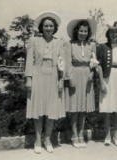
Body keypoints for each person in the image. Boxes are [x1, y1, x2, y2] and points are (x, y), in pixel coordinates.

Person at [25, 11, 65, 154]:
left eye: (51, 26)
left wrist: (61, 80)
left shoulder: (59, 42)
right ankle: (37, 139)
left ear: (55, 28)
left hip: (54, 75)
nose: (48, 28)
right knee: (39, 109)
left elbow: (62, 63)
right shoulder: (34, 41)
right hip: (38, 74)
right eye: (46, 26)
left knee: (51, 109)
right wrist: (29, 79)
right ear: (41, 27)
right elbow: (29, 61)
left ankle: (47, 139)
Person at [96, 20, 117, 147]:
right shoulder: (102, 47)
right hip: (107, 78)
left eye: (116, 31)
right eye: (112, 32)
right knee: (107, 108)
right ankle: (107, 136)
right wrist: (101, 82)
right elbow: (99, 66)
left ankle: (116, 136)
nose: (114, 34)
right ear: (108, 33)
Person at [65, 19, 97, 148]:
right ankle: (74, 135)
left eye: (85, 31)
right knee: (74, 108)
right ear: (76, 31)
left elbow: (94, 63)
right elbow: (67, 63)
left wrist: (92, 74)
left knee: (83, 109)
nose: (83, 33)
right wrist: (70, 78)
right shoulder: (70, 44)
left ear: (88, 32)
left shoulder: (92, 45)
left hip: (87, 76)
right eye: (80, 31)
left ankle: (80, 133)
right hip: (75, 74)